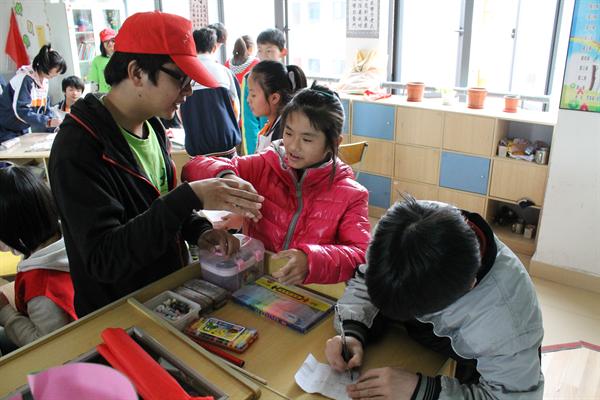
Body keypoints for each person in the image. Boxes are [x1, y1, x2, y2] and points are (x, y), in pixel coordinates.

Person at [48, 11, 264, 317]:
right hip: (119, 314)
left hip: (165, 296)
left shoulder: (152, 126)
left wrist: (199, 230)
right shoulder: (78, 148)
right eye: (181, 79)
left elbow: (158, 205)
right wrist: (190, 196)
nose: (188, 92)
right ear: (137, 73)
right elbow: (105, 259)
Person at [325, 197, 544, 399]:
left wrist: (423, 391)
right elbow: (365, 280)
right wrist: (353, 330)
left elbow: (512, 396)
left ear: (469, 286)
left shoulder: (509, 326)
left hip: (477, 358)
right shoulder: (400, 229)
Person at [183, 85, 370, 285]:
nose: (293, 146)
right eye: (288, 133)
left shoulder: (352, 195)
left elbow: (361, 255)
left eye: (307, 139)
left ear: (334, 142)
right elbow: (193, 167)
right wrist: (227, 175)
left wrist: (311, 259)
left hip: (309, 289)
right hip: (256, 277)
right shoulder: (264, 165)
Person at [0, 164, 76, 353]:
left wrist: (5, 312)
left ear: (15, 230)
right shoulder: (69, 235)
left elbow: (45, 345)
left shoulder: (42, 289)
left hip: (63, 353)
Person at [180, 27, 241, 157]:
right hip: (225, 147)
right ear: (214, 47)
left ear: (193, 47)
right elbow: (236, 109)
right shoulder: (225, 73)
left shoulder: (184, 74)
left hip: (196, 148)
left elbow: (179, 112)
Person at [0, 44, 66, 143]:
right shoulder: (25, 78)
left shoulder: (44, 81)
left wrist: (54, 126)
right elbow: (21, 110)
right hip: (7, 129)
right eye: (57, 70)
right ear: (46, 66)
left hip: (22, 127)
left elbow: (45, 108)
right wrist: (48, 122)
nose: (58, 74)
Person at [240, 28, 287, 155]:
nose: (264, 55)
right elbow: (249, 122)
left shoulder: (290, 77)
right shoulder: (250, 78)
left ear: (283, 52)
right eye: (260, 50)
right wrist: (252, 157)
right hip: (262, 144)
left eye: (269, 51)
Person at [248, 60, 306, 153]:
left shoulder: (282, 134)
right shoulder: (272, 124)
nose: (248, 100)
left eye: (253, 95)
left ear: (274, 98)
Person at [88, 28, 116, 93]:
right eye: (106, 41)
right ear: (102, 43)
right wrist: (93, 97)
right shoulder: (97, 60)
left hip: (121, 95)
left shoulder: (122, 57)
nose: (110, 43)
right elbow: (94, 82)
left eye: (112, 40)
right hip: (104, 96)